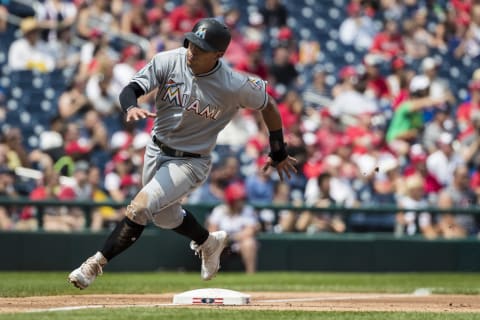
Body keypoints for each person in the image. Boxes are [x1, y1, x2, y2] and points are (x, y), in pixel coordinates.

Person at [68, 18, 297, 289]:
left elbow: (268, 104)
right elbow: (131, 89)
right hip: (156, 149)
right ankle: (208, 242)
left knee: (141, 207)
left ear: (219, 54)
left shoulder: (234, 84)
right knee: (165, 217)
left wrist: (278, 149)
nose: (192, 50)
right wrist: (130, 107)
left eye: (200, 48)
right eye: (191, 43)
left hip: (190, 161)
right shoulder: (169, 60)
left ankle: (94, 265)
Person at [207, 182, 260, 274]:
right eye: (238, 199)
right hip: (222, 244)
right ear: (231, 200)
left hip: (239, 243)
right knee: (210, 243)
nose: (241, 201)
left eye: (242, 198)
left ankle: (251, 275)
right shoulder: (219, 210)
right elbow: (212, 230)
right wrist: (223, 239)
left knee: (249, 243)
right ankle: (210, 274)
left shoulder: (247, 210)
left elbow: (250, 230)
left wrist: (231, 237)